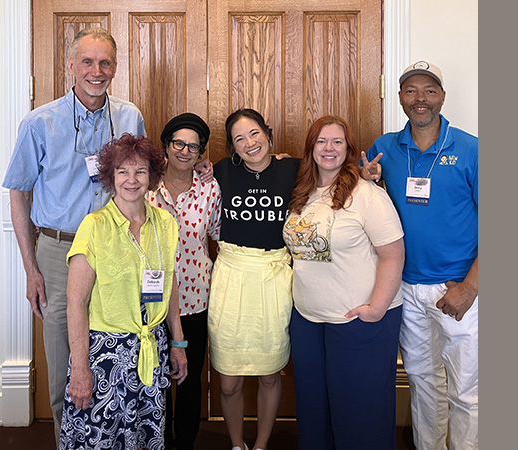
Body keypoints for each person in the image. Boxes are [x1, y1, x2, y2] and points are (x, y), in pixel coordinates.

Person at [1, 28, 146, 444]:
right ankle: (71, 440)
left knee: (116, 351)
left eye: (105, 63)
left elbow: (141, 177)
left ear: (115, 68)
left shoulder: (129, 116)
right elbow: (18, 195)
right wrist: (30, 269)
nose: (96, 71)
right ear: (70, 66)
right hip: (58, 251)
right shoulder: (39, 123)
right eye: (87, 62)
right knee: (67, 360)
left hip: (116, 250)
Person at [362, 61, 478, 450]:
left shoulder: (470, 149)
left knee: (465, 391)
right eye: (411, 91)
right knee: (423, 383)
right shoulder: (384, 148)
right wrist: (366, 182)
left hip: (458, 287)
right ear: (399, 98)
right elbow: (349, 189)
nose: (420, 99)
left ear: (442, 96)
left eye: (429, 90)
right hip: (407, 288)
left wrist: (471, 287)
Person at [283, 115, 405, 450]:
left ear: (349, 149)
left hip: (358, 320)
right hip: (308, 320)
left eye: (337, 141)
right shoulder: (302, 193)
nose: (329, 148)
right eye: (321, 141)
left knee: (360, 414)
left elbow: (393, 254)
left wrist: (376, 308)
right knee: (314, 412)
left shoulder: (366, 195)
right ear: (311, 148)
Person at [59, 133, 188, 450]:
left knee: (144, 437)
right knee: (100, 439)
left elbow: (169, 287)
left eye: (140, 171)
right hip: (105, 355)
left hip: (151, 350)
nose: (132, 180)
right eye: (123, 172)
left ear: (152, 176)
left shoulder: (165, 224)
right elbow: (76, 302)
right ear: (110, 176)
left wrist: (178, 342)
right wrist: (79, 370)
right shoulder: (95, 226)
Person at [208, 108, 300, 450]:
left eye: (254, 134)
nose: (249, 143)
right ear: (232, 147)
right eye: (239, 139)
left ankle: (260, 444)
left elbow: (334, 181)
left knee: (269, 372)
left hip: (273, 277)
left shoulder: (293, 168)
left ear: (268, 134)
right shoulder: (220, 171)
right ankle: (236, 444)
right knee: (228, 379)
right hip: (231, 276)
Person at [147, 113, 222, 450]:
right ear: (166, 145)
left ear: (200, 152)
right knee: (154, 378)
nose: (185, 151)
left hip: (195, 297)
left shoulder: (209, 187)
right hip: (149, 300)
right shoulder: (144, 183)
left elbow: (220, 235)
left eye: (193, 146)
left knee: (189, 380)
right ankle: (158, 441)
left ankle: (185, 443)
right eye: (179, 143)